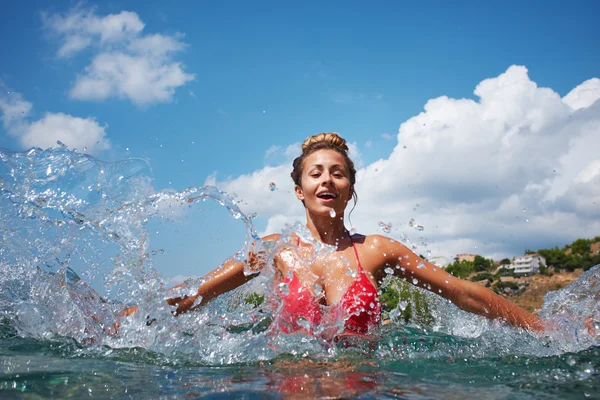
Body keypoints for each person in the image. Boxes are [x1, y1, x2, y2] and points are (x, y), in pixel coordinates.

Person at [162, 132, 548, 336]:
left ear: (350, 186)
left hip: (362, 384)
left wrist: (545, 330)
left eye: (337, 172)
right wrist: (119, 322)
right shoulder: (274, 249)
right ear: (299, 190)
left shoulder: (378, 250)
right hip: (283, 385)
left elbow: (463, 292)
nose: (327, 179)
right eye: (315, 173)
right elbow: (195, 294)